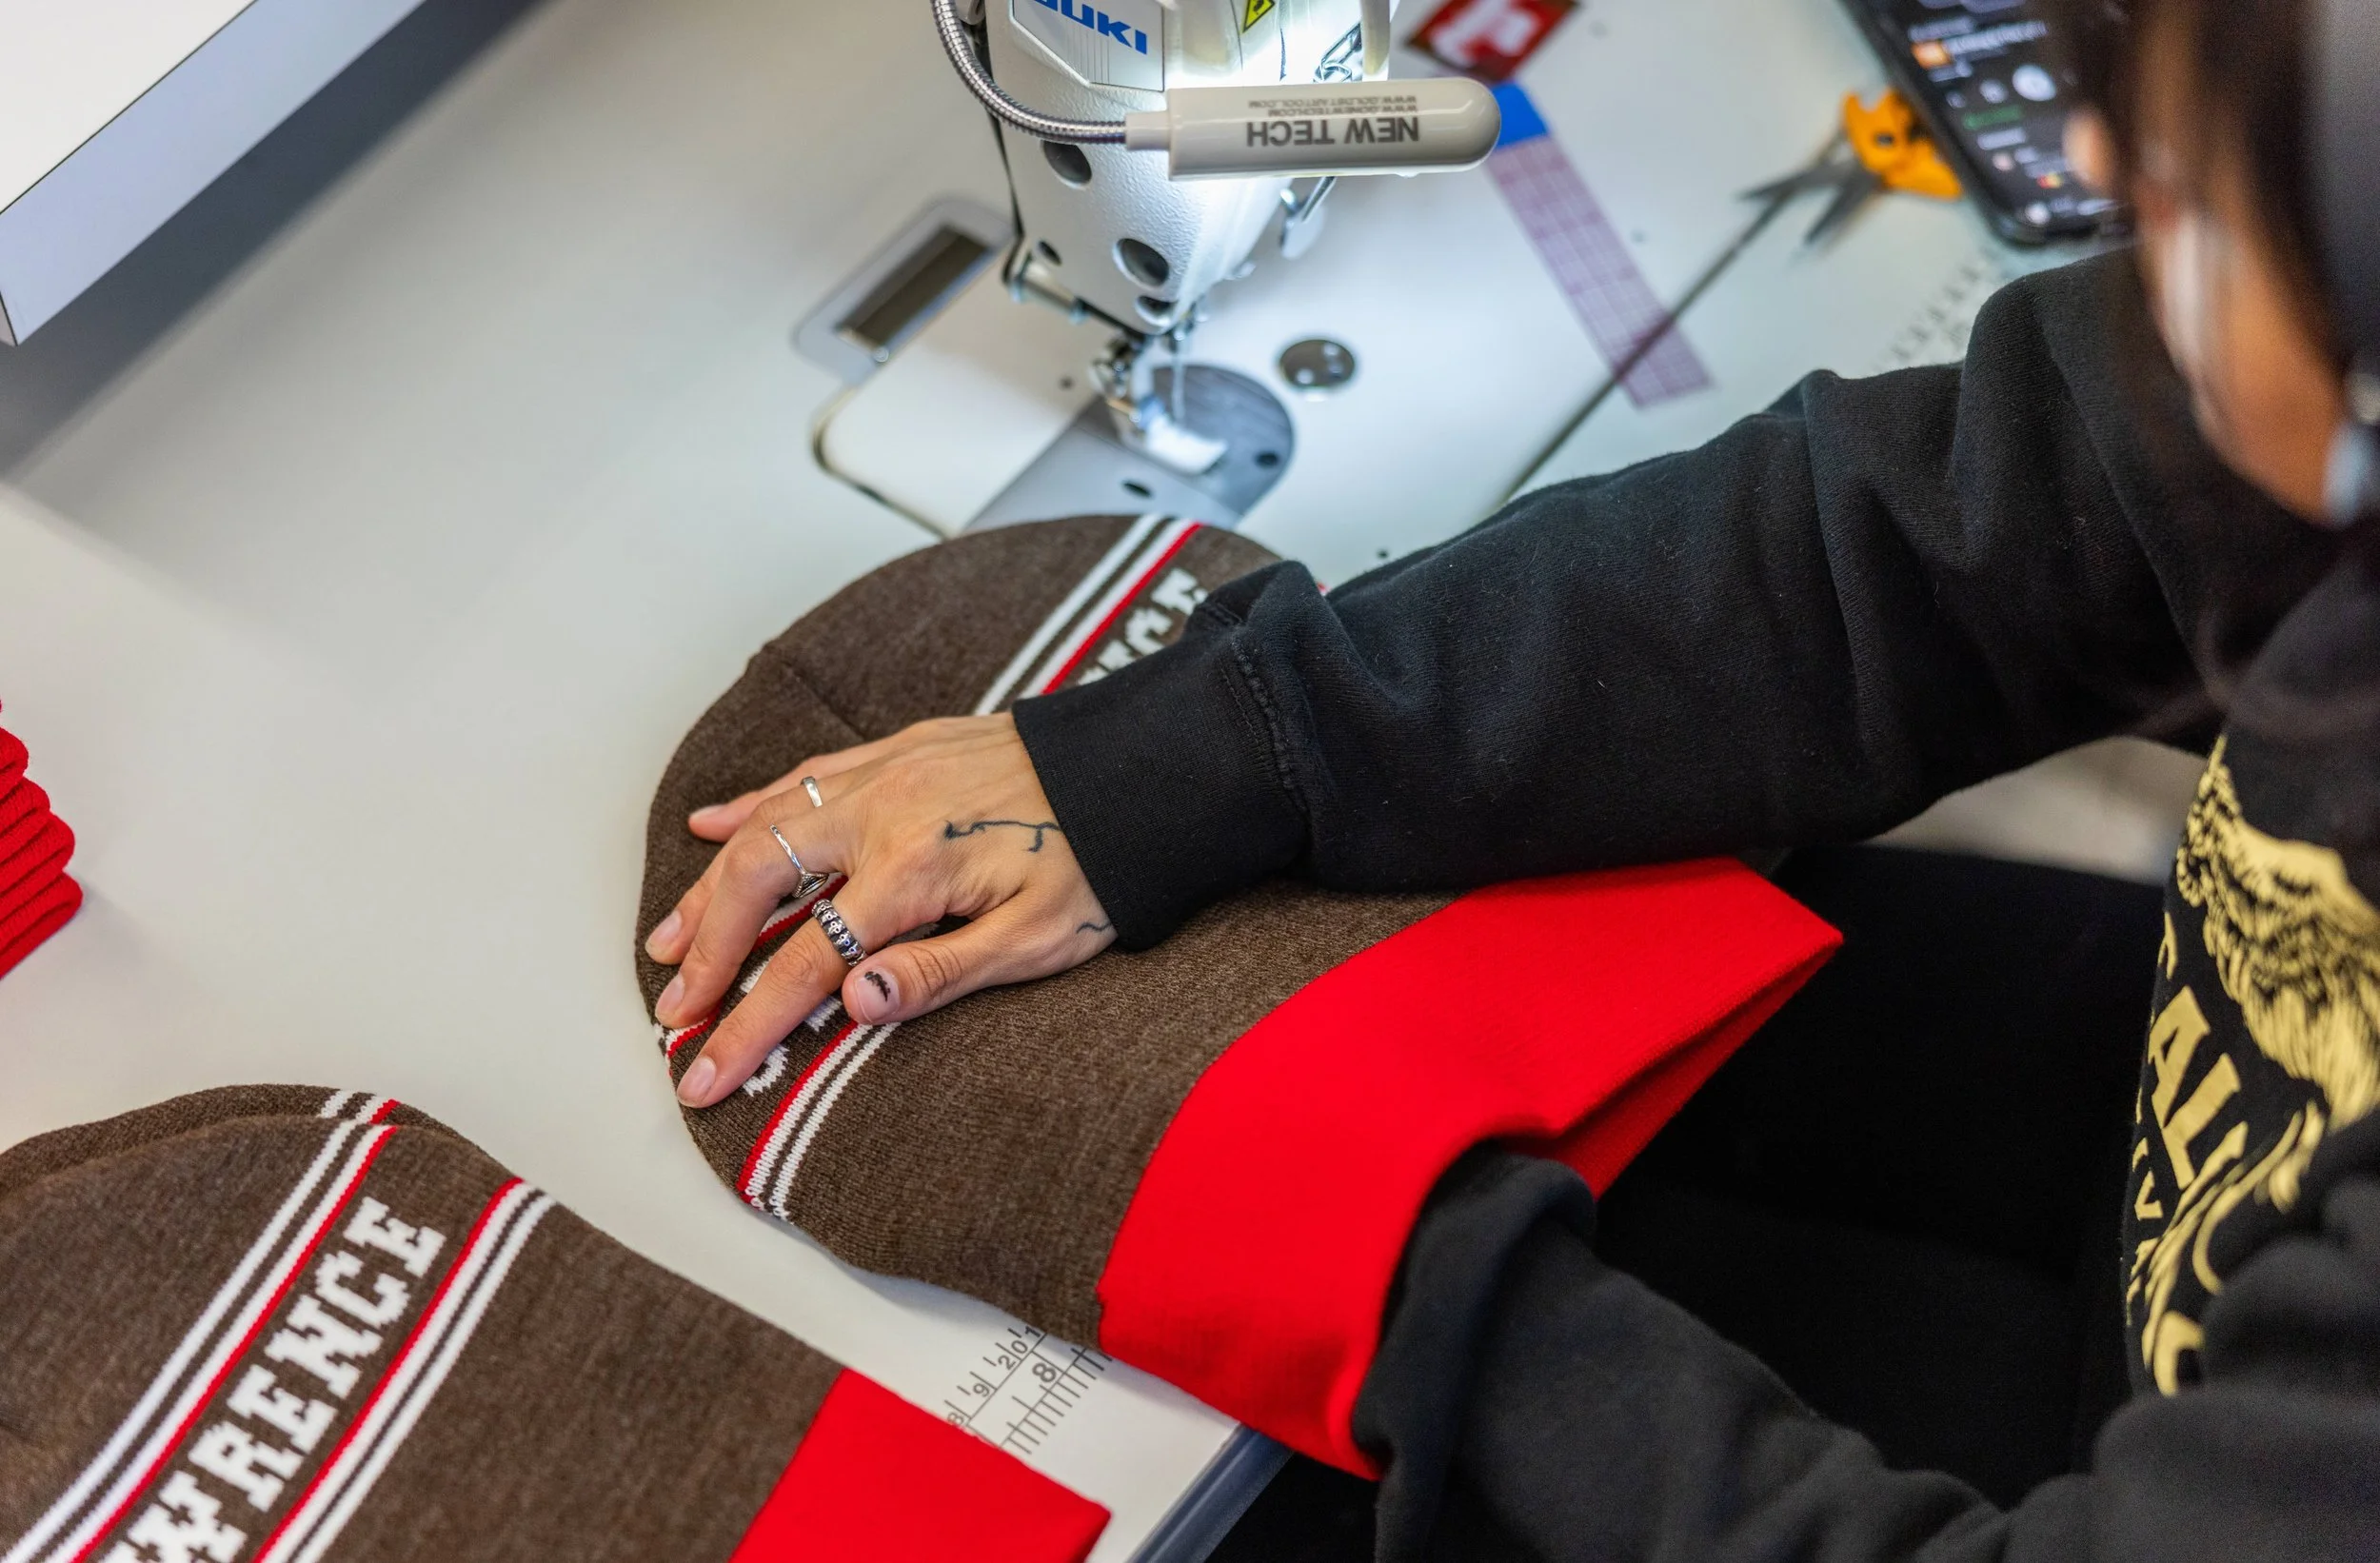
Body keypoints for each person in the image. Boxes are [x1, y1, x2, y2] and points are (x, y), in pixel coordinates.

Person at [644, 0, 2380, 1552]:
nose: (2089, 165)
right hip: (2159, 1172)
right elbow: (1908, 551)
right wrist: (1200, 754)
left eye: (2192, 181)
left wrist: (1399, 1268)